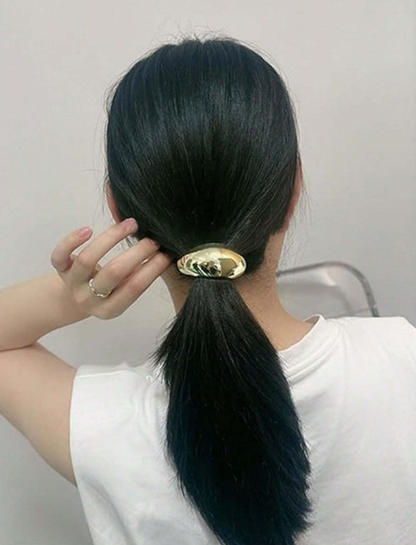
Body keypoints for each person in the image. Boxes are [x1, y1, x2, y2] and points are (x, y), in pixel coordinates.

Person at [68, 34, 416, 545]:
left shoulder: (97, 421)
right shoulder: (402, 357)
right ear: (293, 190)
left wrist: (78, 297)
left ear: (119, 211)